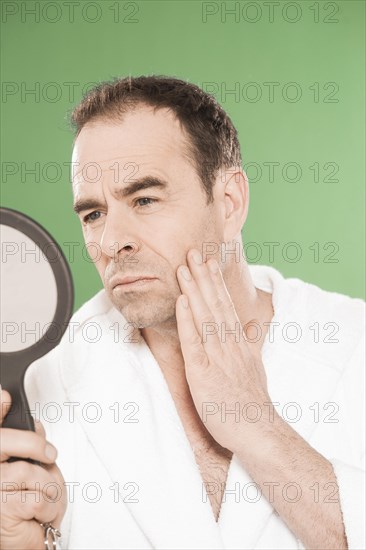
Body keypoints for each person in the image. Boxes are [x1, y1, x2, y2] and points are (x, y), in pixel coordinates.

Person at [0, 76, 364, 550]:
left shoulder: (355, 342)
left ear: (229, 202)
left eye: (145, 199)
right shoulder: (41, 388)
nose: (111, 242)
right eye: (93, 214)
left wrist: (257, 427)